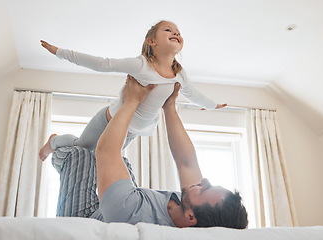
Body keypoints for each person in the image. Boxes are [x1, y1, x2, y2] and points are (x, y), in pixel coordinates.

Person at [50, 75, 248, 229]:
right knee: (123, 165)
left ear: (190, 218)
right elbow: (185, 160)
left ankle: (56, 146)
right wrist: (169, 105)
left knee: (80, 154)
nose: (203, 181)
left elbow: (106, 151)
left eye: (205, 189)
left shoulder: (131, 213)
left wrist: (131, 101)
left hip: (85, 216)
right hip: (113, 204)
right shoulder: (191, 205)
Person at [39, 20, 227, 161]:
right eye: (168, 30)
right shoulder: (141, 65)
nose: (175, 33)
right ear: (151, 41)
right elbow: (102, 64)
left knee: (102, 159)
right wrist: (60, 52)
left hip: (132, 132)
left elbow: (193, 94)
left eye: (178, 32)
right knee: (83, 147)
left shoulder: (179, 74)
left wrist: (212, 105)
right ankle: (53, 141)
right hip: (108, 121)